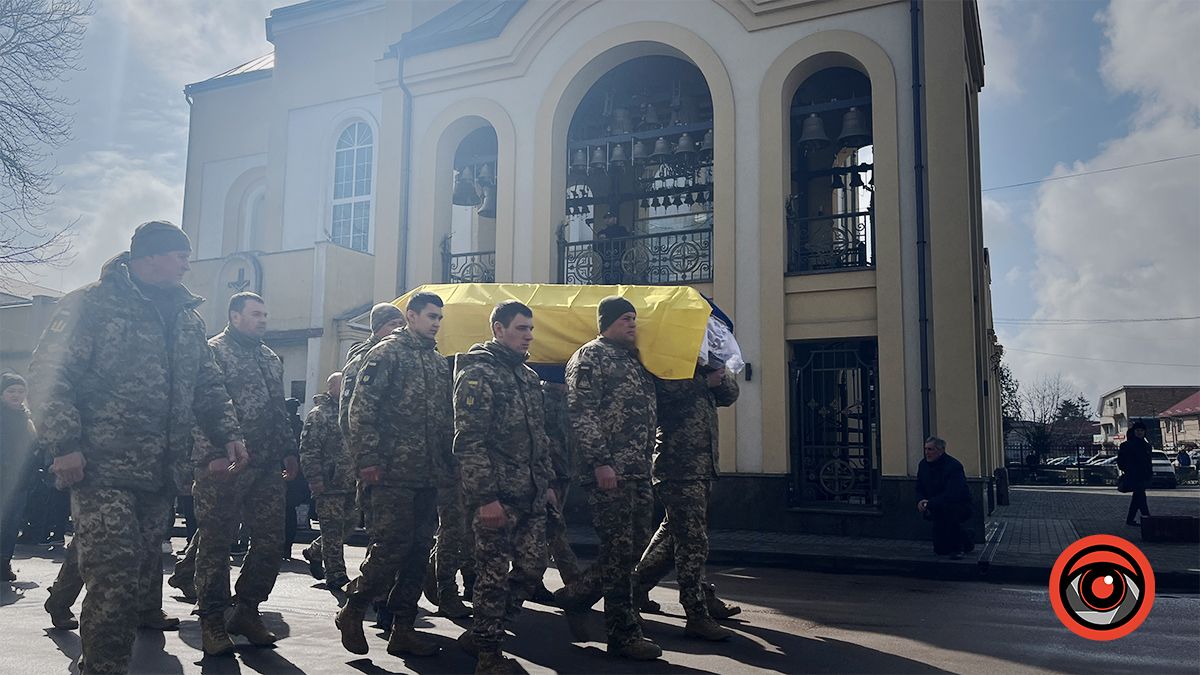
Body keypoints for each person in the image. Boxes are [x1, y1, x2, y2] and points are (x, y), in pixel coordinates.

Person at [27, 221, 244, 674]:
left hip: (159, 473)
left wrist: (229, 433)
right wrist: (64, 445)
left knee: (137, 579)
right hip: (100, 467)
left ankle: (102, 663)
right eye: (179, 253)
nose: (187, 262)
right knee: (115, 578)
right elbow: (50, 375)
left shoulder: (188, 317)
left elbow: (207, 383)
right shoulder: (93, 304)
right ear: (149, 256)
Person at [337, 292, 452, 658]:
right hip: (389, 474)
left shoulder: (436, 363)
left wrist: (449, 466)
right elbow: (361, 408)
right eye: (431, 316)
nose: (436, 323)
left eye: (439, 318)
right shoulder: (386, 353)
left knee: (419, 553)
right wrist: (368, 459)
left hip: (427, 475)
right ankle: (354, 608)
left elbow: (444, 420)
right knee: (390, 549)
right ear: (411, 316)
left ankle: (403, 628)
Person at [191, 292, 299, 656]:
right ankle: (211, 621)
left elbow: (278, 409)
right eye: (256, 314)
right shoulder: (213, 351)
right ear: (235, 316)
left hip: (266, 464)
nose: (263, 320)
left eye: (265, 314)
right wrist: (211, 454)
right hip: (225, 463)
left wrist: (289, 450)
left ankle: (248, 610)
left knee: (270, 540)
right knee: (216, 543)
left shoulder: (269, 356)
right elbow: (200, 406)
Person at [555, 296, 662, 661]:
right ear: (608, 322)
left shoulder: (634, 361)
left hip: (636, 471)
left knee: (633, 550)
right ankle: (622, 635)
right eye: (626, 319)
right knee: (617, 554)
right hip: (608, 474)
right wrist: (600, 463)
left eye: (635, 318)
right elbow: (581, 412)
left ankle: (578, 595)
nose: (633, 324)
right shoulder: (590, 357)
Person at [453, 301, 557, 673]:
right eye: (521, 328)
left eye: (531, 329)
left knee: (531, 569)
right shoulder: (478, 374)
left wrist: (544, 483)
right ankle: (488, 654)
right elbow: (469, 442)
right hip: (495, 497)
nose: (529, 335)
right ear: (498, 329)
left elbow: (538, 438)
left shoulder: (528, 378)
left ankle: (482, 632)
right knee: (492, 576)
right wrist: (485, 498)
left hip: (529, 494)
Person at [634, 362, 740, 640]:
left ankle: (635, 588)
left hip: (702, 468)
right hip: (677, 467)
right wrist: (703, 380)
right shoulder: (669, 364)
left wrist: (720, 373)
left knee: (676, 536)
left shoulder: (705, 366)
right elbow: (663, 396)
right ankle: (696, 613)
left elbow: (729, 395)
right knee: (692, 541)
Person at [300, 372, 356, 591]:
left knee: (348, 526)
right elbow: (308, 449)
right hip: (329, 483)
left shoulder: (352, 411)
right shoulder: (319, 415)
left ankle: (314, 551)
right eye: (342, 385)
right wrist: (315, 479)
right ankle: (336, 575)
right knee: (332, 529)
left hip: (351, 482)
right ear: (332, 387)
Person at [1, 373, 36, 582]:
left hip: (20, 481)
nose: (16, 395)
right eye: (11, 391)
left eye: (20, 391)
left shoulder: (26, 417)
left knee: (11, 525)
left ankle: (4, 562)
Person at [915, 436, 974, 559]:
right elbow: (919, 486)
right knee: (940, 550)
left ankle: (958, 547)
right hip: (935, 505)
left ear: (940, 451)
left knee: (950, 517)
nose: (927, 453)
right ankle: (966, 539)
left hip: (957, 505)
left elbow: (953, 493)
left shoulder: (953, 466)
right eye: (926, 449)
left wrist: (930, 503)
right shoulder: (923, 465)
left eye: (930, 449)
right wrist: (920, 500)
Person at [284, 396, 311, 559]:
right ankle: (287, 546)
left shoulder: (285, 428)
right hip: (297, 473)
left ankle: (284, 546)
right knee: (290, 510)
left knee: (284, 510)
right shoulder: (301, 426)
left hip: (285, 472)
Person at [1118, 421, 1153, 526]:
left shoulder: (1147, 446)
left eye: (1141, 431)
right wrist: (1127, 469)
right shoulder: (1127, 445)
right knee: (1141, 497)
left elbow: (1148, 462)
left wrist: (1149, 474)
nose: (1139, 432)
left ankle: (1131, 520)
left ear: (1144, 432)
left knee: (1137, 497)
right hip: (1133, 475)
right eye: (1137, 430)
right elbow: (1121, 460)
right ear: (1133, 432)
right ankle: (1147, 518)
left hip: (1143, 475)